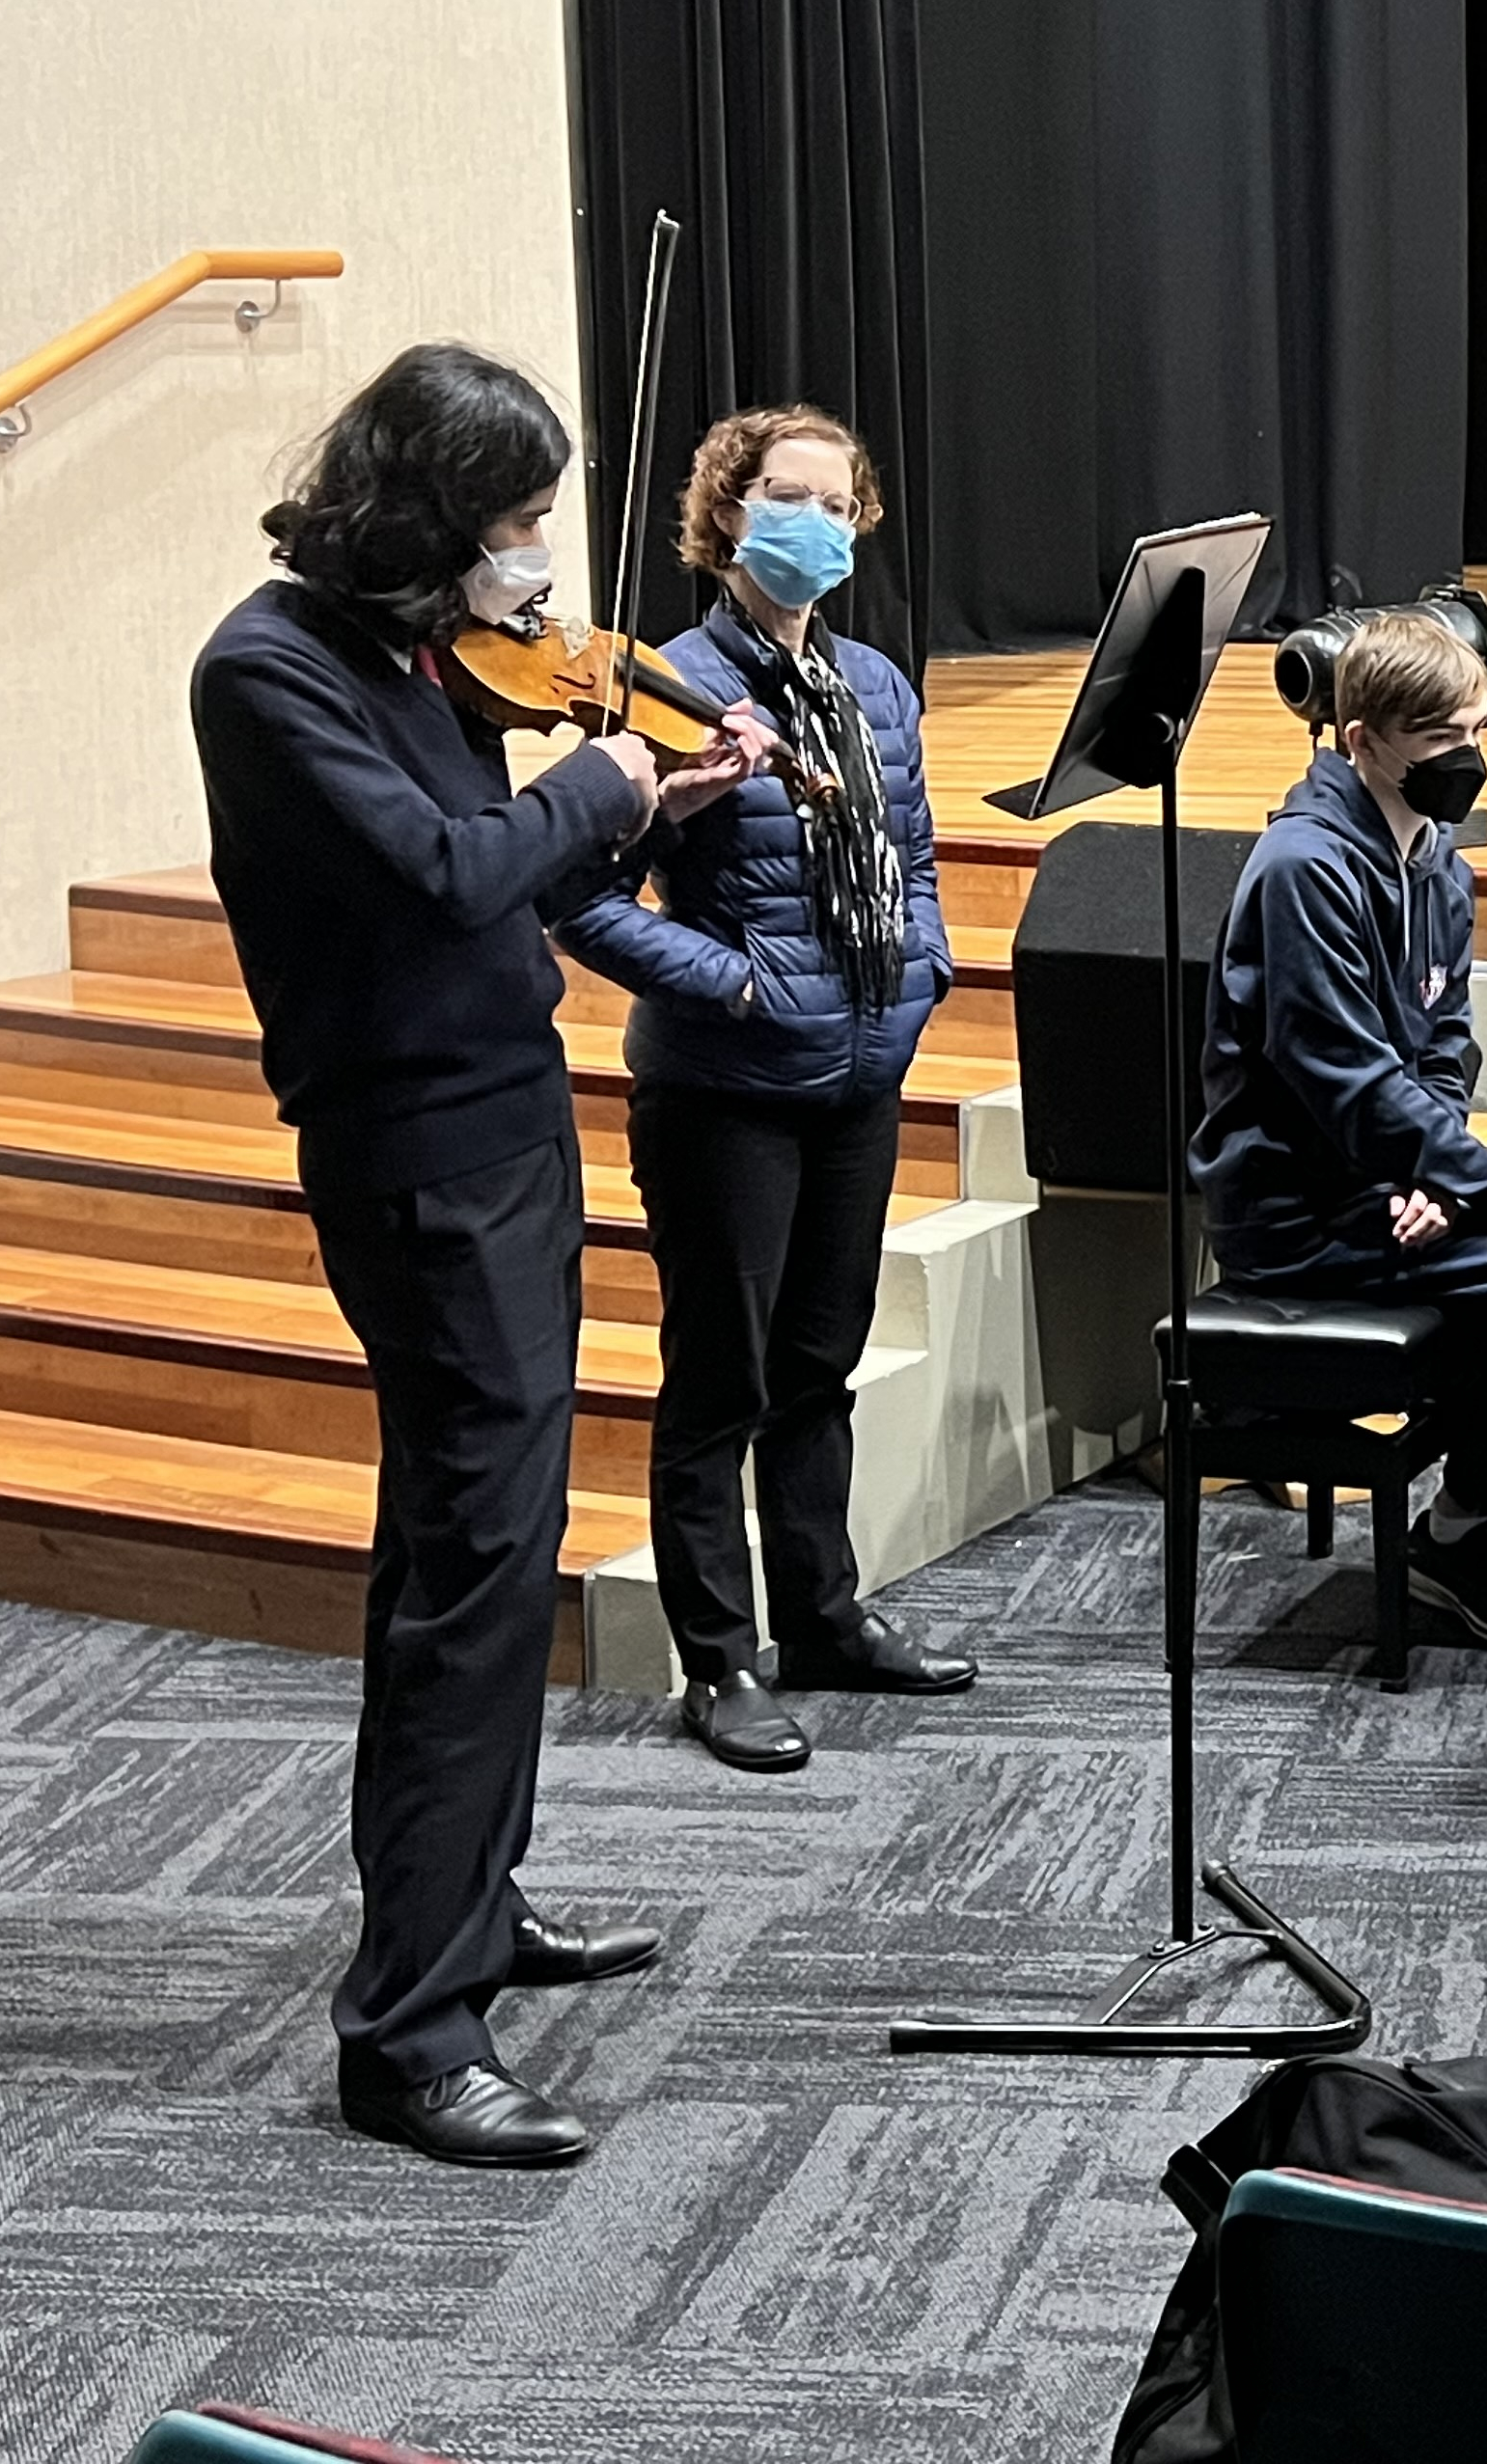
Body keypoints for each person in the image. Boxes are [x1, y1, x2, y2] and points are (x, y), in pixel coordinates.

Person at [189, 342, 768, 2166]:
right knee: (473, 1568)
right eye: (515, 519)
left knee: (475, 1551)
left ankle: (470, 1907)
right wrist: (608, 778)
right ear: (427, 516)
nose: (535, 556)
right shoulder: (270, 669)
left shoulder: (413, 647)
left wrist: (649, 795)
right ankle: (409, 2034)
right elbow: (445, 870)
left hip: (504, 1117)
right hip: (418, 1157)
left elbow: (501, 868)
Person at [555, 405, 974, 1773]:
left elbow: (914, 853)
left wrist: (923, 968)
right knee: (719, 1383)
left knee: (818, 1368)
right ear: (728, 514)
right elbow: (581, 895)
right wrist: (734, 984)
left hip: (859, 1077)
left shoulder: (877, 685)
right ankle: (720, 1661)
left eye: (838, 504)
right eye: (788, 497)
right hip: (723, 1091)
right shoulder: (668, 686)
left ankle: (824, 1617)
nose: (817, 524)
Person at [1188, 610, 1487, 1649]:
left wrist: (1438, 1177)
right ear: (1362, 741)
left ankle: (1486, 1507)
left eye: (1475, 730)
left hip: (1384, 1187)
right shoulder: (1303, 869)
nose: (1465, 757)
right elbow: (1342, 1080)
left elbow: (1440, 1051)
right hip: (1301, 1216)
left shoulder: (1437, 863)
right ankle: (1461, 1534)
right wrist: (1472, 1181)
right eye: (1439, 738)